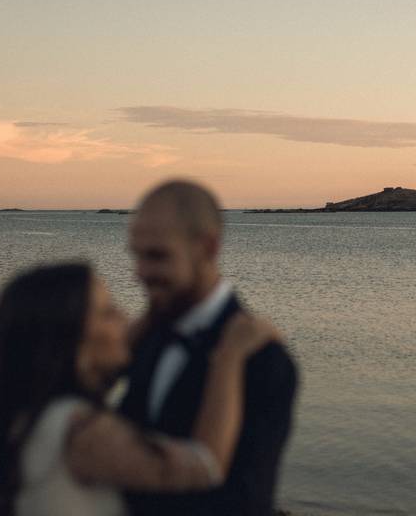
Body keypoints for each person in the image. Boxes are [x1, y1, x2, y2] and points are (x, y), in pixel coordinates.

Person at [0, 262, 277, 516]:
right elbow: (204, 465)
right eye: (108, 311)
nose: (125, 317)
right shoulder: (83, 434)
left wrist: (157, 312)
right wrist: (231, 356)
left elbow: (102, 365)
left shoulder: (32, 413)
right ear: (72, 342)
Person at [120, 180, 298, 516]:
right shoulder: (147, 336)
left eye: (157, 256)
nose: (140, 273)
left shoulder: (264, 359)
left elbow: (246, 500)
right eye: (137, 255)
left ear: (208, 248)